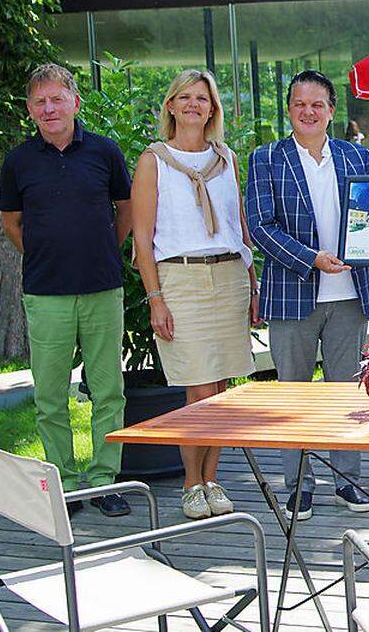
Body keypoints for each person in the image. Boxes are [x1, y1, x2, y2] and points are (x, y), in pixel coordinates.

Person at [0, 63, 133, 518]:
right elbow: (12, 223)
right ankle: (64, 484)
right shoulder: (18, 161)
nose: (49, 108)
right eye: (40, 102)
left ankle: (103, 479)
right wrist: (44, 253)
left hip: (101, 288)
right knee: (50, 395)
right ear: (30, 110)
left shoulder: (104, 152)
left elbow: (126, 209)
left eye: (57, 99)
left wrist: (103, 250)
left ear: (75, 102)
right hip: (46, 292)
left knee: (108, 390)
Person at [246, 69, 369, 518]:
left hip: (348, 294)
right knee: (293, 398)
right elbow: (261, 227)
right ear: (288, 110)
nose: (308, 112)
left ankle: (348, 481)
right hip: (292, 294)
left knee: (346, 394)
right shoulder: (266, 158)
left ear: (331, 111)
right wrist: (311, 259)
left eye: (317, 104)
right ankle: (298, 485)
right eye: (299, 104)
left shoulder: (355, 157)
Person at [130, 69, 260, 519]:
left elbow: (237, 226)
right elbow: (142, 239)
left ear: (212, 108)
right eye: (183, 97)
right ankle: (191, 483)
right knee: (199, 389)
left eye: (201, 98)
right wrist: (155, 299)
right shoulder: (154, 160)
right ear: (170, 106)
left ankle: (213, 479)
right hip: (180, 281)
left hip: (228, 277)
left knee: (222, 387)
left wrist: (252, 284)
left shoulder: (225, 159)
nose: (192, 105)